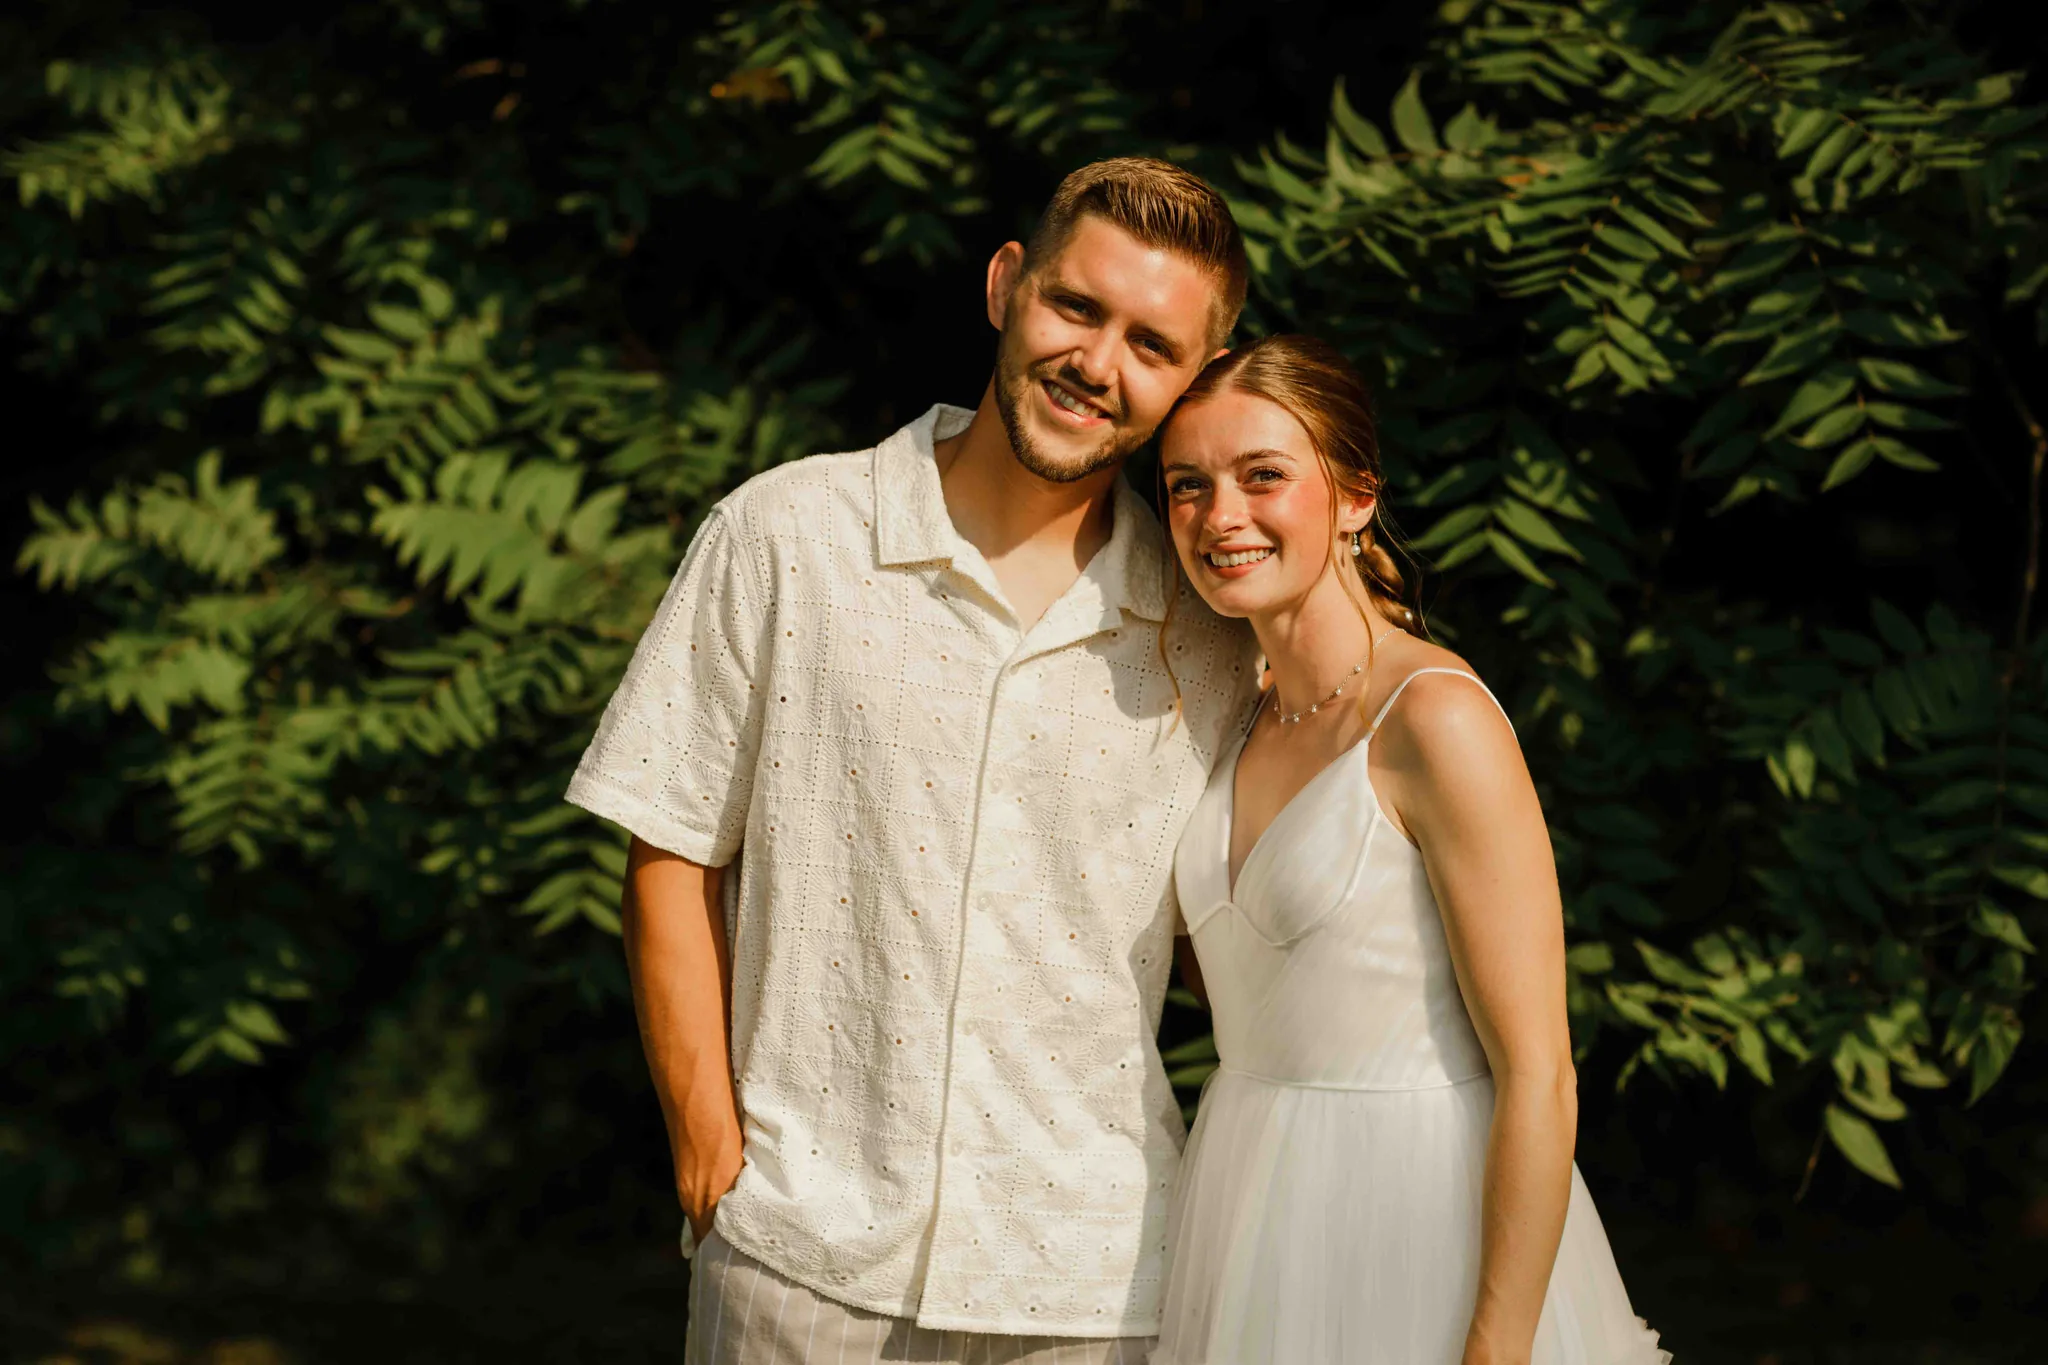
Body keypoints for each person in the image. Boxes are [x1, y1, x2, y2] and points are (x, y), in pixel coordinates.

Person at [564, 158, 1261, 1364]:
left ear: (1190, 384)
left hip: (1093, 1290)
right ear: (1006, 286)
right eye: (1076, 309)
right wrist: (707, 1156)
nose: (1098, 365)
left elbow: (1231, 946)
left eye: (1151, 345)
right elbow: (669, 846)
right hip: (799, 1264)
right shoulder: (783, 537)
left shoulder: (1206, 636)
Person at [1150, 335, 1668, 1365]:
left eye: (1262, 477)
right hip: (1243, 1207)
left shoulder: (1434, 721)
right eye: (1185, 487)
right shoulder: (1227, 717)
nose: (1220, 517)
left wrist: (1496, 1344)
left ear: (1351, 497)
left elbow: (1540, 1074)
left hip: (1414, 1214)